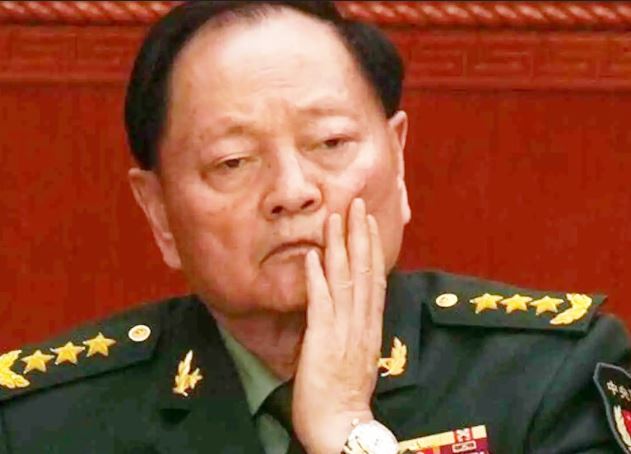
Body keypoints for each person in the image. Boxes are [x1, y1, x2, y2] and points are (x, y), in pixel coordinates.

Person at [0, 1, 629, 453]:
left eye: (330, 142)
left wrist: (349, 430)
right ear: (159, 211)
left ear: (398, 158)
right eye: (232, 161)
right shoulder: (40, 425)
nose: (292, 191)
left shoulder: (551, 378)